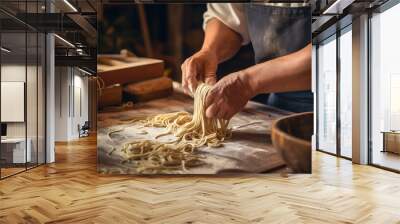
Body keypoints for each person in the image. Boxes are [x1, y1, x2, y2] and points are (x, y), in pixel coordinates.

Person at [181, 3, 313, 120]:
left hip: (329, 106)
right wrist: (210, 51)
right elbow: (229, 18)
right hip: (279, 103)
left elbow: (330, 50)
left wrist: (246, 82)